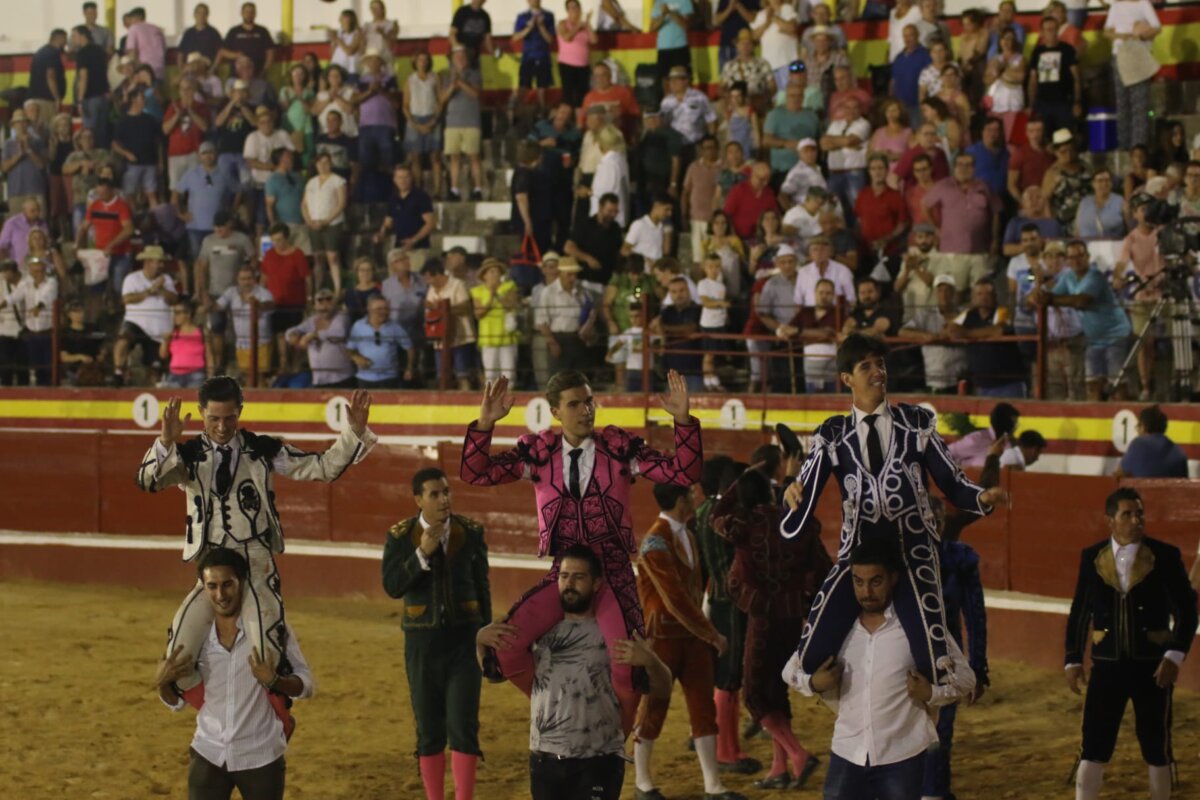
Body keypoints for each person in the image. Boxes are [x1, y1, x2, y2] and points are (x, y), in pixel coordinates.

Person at [462, 369, 702, 728]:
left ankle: (614, 739)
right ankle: (555, 706)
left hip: (612, 572)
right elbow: (475, 473)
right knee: (507, 647)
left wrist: (683, 421)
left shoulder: (619, 451)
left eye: (589, 401)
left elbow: (684, 473)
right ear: (556, 412)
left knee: (628, 666)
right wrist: (485, 424)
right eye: (574, 404)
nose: (586, 410)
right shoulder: (539, 454)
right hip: (566, 573)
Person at [779, 333, 1006, 688]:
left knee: (934, 665)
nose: (878, 372)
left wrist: (983, 498)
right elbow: (800, 500)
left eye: (880, 364)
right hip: (858, 555)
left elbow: (953, 482)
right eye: (866, 366)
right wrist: (790, 494)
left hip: (912, 551)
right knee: (811, 657)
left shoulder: (916, 422)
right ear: (846, 378)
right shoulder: (832, 433)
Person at [139, 377, 375, 708]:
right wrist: (166, 441)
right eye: (214, 418)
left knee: (267, 654)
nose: (222, 427)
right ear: (201, 413)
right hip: (211, 570)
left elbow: (322, 467)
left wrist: (354, 433)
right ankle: (213, 714)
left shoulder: (262, 450)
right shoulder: (187, 456)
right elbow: (148, 481)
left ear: (240, 411)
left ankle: (277, 714)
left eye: (230, 418)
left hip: (255, 562)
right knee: (178, 654)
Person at [477, 545, 673, 800]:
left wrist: (651, 661)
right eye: (564, 576)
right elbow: (496, 673)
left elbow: (663, 688)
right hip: (545, 757)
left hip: (598, 760)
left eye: (579, 577)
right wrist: (479, 641)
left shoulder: (619, 636)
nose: (569, 584)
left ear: (596, 583)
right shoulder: (539, 633)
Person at [787, 537, 976, 799]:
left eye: (876, 582)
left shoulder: (917, 625)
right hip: (847, 752)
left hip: (902, 756)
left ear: (893, 578)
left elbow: (966, 678)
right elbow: (790, 671)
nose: (866, 592)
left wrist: (932, 693)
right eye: (858, 582)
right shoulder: (837, 626)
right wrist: (812, 683)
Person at [1065, 488, 1197, 800]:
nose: (1137, 520)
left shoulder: (1165, 555)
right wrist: (1073, 658)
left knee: (1156, 743)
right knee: (1094, 742)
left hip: (1152, 667)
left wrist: (1174, 656)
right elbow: (1080, 611)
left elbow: (1187, 611)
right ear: (1110, 520)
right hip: (1106, 666)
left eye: (1140, 513)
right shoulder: (1092, 557)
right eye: (1128, 514)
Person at [155, 547, 315, 800]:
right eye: (212, 586)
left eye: (228, 584)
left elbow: (306, 684)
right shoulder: (197, 636)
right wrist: (162, 683)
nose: (221, 595)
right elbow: (176, 703)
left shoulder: (271, 629)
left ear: (242, 582)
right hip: (209, 751)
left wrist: (275, 681)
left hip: (260, 756)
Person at [711, 465, 825, 790]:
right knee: (778, 691)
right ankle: (778, 769)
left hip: (762, 618)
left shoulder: (745, 524)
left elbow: (715, 515)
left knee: (756, 696)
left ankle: (798, 755)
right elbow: (822, 568)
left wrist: (736, 484)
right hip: (791, 617)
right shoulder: (798, 524)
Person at [631, 483, 747, 800]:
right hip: (663, 639)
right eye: (691, 496)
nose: (696, 499)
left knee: (702, 707)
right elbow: (675, 599)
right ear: (681, 500)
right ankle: (642, 783)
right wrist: (711, 632)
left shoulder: (688, 536)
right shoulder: (655, 542)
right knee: (654, 707)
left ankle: (713, 785)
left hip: (690, 637)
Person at [383, 467, 490, 800]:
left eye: (446, 492)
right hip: (422, 644)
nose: (444, 499)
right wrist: (421, 554)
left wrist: (486, 635)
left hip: (464, 642)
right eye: (435, 494)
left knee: (463, 726)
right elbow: (392, 586)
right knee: (429, 729)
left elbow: (482, 587)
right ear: (418, 499)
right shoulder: (401, 536)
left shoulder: (470, 532)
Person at [1039, 240, 1133, 401]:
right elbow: (1052, 295)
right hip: (1094, 339)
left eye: (1080, 256)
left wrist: (1050, 299)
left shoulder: (1096, 276)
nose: (1076, 261)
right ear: (1067, 260)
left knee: (1117, 384)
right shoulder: (1068, 277)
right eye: (1071, 257)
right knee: (1092, 384)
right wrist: (1040, 294)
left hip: (1115, 335)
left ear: (1087, 257)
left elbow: (1081, 301)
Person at [923, 152, 1002, 292]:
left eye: (968, 165)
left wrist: (995, 239)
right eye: (960, 165)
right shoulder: (943, 185)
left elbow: (996, 211)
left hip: (980, 250)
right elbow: (925, 205)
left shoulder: (984, 186)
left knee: (981, 291)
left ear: (974, 168)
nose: (964, 168)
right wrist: (935, 228)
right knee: (955, 291)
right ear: (954, 167)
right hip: (952, 251)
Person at [1113, 195, 1162, 399]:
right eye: (1142, 209)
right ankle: (1145, 386)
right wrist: (1118, 277)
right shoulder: (1131, 239)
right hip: (1142, 296)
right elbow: (1121, 263)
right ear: (1135, 214)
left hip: (1165, 293)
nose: (1147, 212)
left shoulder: (1162, 233)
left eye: (1149, 208)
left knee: (1174, 339)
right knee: (1143, 342)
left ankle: (1175, 382)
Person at [951, 277, 1028, 398]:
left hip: (1008, 384)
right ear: (973, 297)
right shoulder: (968, 314)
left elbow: (998, 330)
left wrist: (967, 333)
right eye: (979, 294)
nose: (984, 297)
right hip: (981, 385)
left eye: (988, 293)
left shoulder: (1003, 311)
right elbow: (951, 329)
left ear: (995, 296)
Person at [1104, 0, 1160, 150]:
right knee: (1122, 103)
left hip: (1138, 55)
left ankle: (1139, 147)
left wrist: (1140, 35)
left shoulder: (1143, 4)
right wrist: (1123, 36)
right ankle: (1124, 146)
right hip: (1119, 56)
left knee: (1139, 105)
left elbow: (1156, 28)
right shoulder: (1116, 6)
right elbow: (1107, 31)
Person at [899, 273, 969, 393]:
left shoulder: (964, 314)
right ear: (936, 293)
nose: (944, 295)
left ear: (953, 293)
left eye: (948, 290)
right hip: (935, 380)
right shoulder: (926, 315)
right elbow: (902, 332)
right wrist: (928, 336)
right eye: (940, 291)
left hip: (960, 379)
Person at [173, 142, 237, 260]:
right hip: (195, 226)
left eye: (210, 152)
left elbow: (238, 191)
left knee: (217, 258)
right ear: (199, 156)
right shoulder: (191, 174)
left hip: (218, 227)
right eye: (204, 153)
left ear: (216, 154)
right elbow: (176, 193)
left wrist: (232, 210)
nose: (208, 156)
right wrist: (180, 213)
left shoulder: (225, 173)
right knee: (198, 258)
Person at [422, 258, 476, 390]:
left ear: (437, 274)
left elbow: (466, 308)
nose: (427, 281)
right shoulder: (431, 289)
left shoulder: (457, 284)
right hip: (439, 339)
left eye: (428, 278)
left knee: (462, 375)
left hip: (460, 337)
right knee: (442, 376)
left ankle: (466, 398)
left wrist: (442, 308)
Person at [284, 288, 355, 388]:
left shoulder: (342, 317)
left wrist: (311, 336)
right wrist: (293, 335)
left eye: (329, 299)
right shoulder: (311, 321)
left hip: (341, 378)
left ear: (335, 303)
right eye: (320, 300)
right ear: (315, 306)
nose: (325, 304)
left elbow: (339, 332)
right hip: (319, 379)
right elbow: (291, 331)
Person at [215, 267, 275, 383]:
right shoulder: (232, 292)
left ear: (255, 279)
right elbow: (218, 305)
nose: (246, 282)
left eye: (249, 278)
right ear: (237, 280)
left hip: (261, 343)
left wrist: (257, 304)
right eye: (243, 279)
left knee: (260, 376)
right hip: (241, 343)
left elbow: (270, 305)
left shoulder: (263, 292)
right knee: (246, 375)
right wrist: (207, 303)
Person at [440, 46, 485, 202]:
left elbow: (475, 94)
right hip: (452, 122)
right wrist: (453, 85)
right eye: (457, 56)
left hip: (471, 121)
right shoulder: (446, 76)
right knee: (454, 157)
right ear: (452, 59)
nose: (460, 59)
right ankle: (454, 189)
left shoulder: (475, 74)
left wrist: (461, 82)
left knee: (474, 156)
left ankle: (478, 189)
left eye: (462, 56)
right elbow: (442, 99)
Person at [471, 258, 520, 383]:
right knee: (490, 372)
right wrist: (491, 297)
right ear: (484, 275)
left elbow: (510, 305)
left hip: (506, 335)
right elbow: (479, 313)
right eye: (491, 272)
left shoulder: (509, 286)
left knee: (508, 372)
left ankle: (509, 392)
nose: (495, 274)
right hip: (488, 336)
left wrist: (497, 294)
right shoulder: (477, 291)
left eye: (497, 271)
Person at [404, 51, 443, 194]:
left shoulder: (434, 78)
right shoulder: (410, 79)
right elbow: (405, 105)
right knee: (415, 157)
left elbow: (440, 101)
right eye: (420, 59)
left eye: (425, 59)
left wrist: (434, 121)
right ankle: (418, 189)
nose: (423, 62)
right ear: (415, 62)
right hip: (415, 118)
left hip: (432, 117)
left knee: (435, 156)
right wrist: (414, 124)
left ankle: (437, 190)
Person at [763, 84, 819, 183]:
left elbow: (817, 139)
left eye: (799, 95)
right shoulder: (775, 115)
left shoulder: (812, 116)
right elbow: (766, 140)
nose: (796, 99)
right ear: (786, 96)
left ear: (803, 97)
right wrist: (786, 143)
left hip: (808, 170)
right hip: (783, 171)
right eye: (792, 96)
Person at [1114, 406, 1189, 479]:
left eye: (1138, 425)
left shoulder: (1138, 445)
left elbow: (1118, 475)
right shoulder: (1178, 451)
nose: (1137, 431)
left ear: (1143, 427)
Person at [512, 0, 556, 111]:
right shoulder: (522, 17)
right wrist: (529, 27)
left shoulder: (548, 16)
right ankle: (519, 114)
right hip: (528, 57)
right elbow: (515, 37)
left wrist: (541, 26)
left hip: (543, 56)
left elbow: (550, 40)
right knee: (523, 86)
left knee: (542, 88)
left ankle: (542, 112)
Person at [160, 299, 210, 388]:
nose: (175, 316)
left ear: (188, 314)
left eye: (178, 313)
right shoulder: (172, 333)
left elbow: (209, 355)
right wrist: (165, 341)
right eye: (174, 313)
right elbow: (163, 355)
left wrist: (210, 376)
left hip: (196, 375)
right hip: (174, 375)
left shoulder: (201, 332)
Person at [219, 1, 274, 75]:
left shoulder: (262, 31)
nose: (249, 14)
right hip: (236, 76)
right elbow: (223, 51)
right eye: (246, 12)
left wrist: (265, 70)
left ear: (255, 14)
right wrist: (237, 55)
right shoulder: (234, 31)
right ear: (241, 13)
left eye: (251, 12)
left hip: (258, 75)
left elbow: (270, 52)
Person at [450, 0, 494, 67]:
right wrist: (458, 48)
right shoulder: (462, 12)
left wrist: (494, 52)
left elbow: (487, 40)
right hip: (460, 56)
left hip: (474, 57)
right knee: (459, 72)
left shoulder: (485, 16)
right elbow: (452, 33)